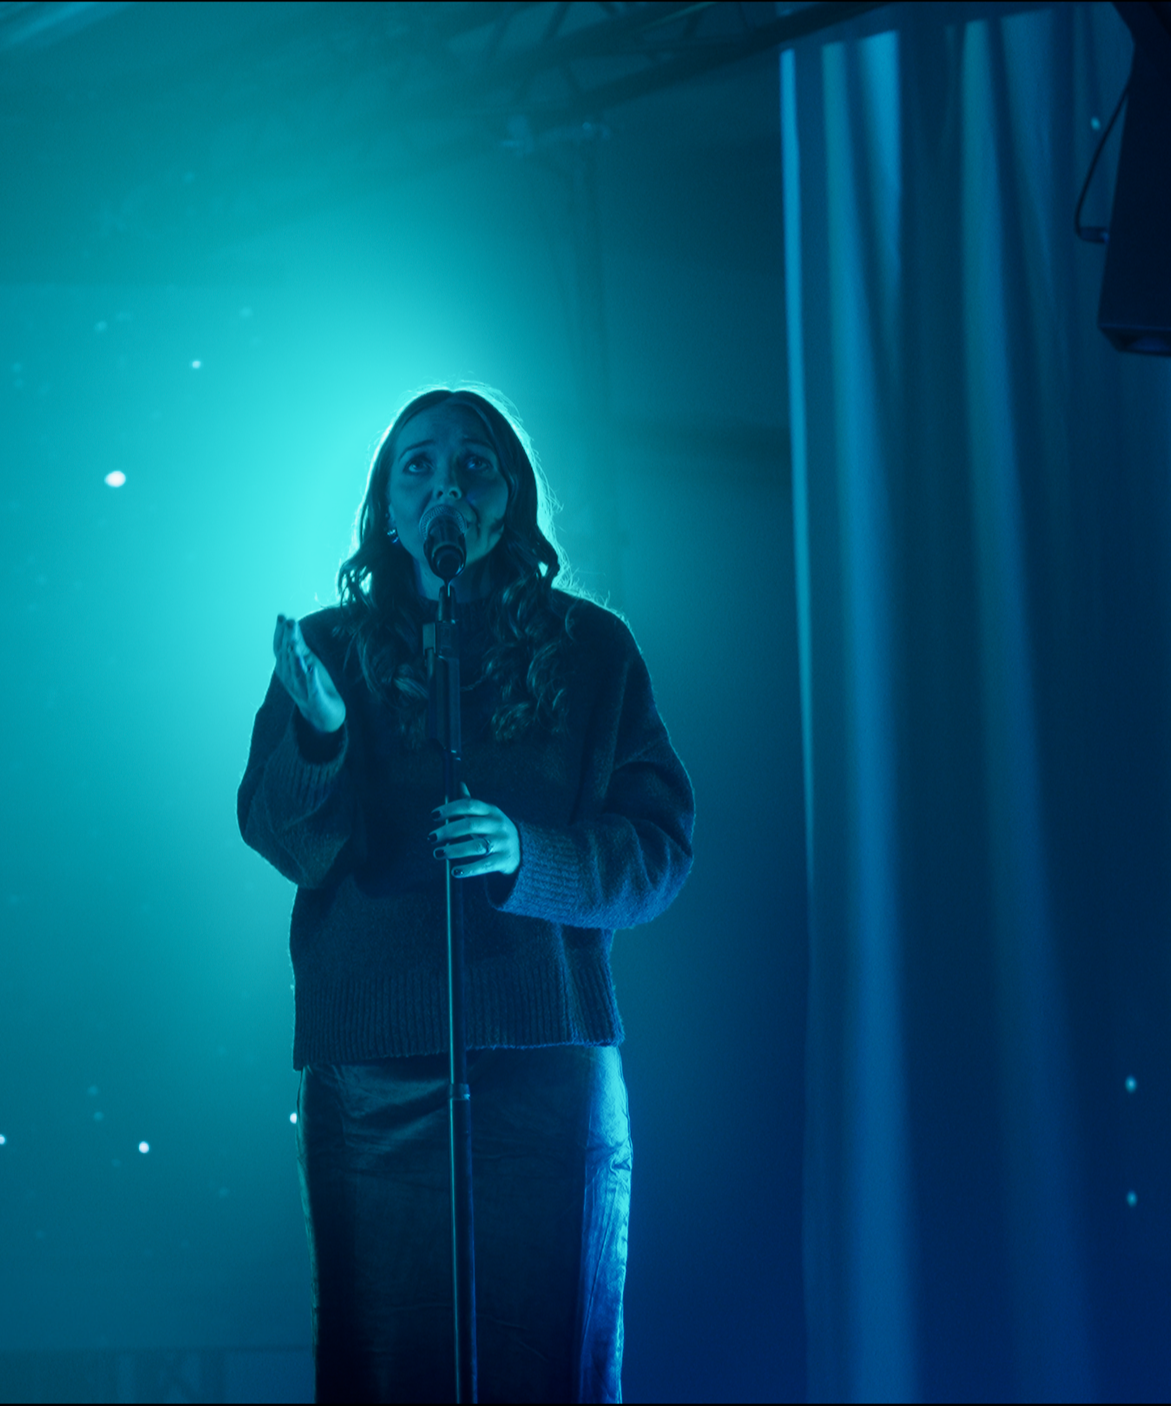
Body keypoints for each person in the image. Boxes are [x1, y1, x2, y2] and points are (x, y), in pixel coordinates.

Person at [238, 386, 695, 1403]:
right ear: (388, 511)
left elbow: (660, 848)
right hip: (372, 1069)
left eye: (472, 463)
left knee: (550, 1354)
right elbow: (284, 838)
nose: (445, 482)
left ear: (509, 498)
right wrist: (319, 734)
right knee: (390, 1361)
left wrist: (529, 853)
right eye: (418, 465)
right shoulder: (328, 650)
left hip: (545, 1058)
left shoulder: (593, 652)